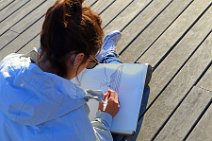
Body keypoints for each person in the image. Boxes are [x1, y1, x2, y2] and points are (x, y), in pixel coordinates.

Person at [0, 0, 120, 140]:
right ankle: (110, 56)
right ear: (78, 59)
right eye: (90, 62)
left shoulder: (7, 66)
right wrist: (104, 117)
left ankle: (107, 55)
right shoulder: (73, 119)